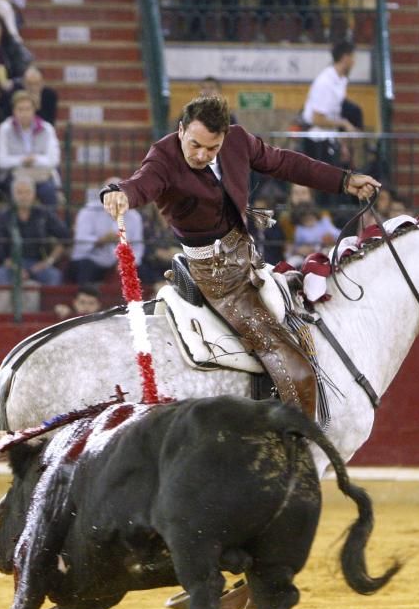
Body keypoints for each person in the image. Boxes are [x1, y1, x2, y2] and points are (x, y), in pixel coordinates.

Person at [101, 94, 379, 419]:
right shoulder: (163, 157)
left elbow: (286, 162)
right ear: (180, 130)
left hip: (249, 261)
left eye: (212, 148)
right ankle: (293, 449)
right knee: (297, 369)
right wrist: (117, 192)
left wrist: (344, 180)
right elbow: (141, 184)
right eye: (195, 145)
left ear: (224, 137)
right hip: (216, 278)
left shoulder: (239, 140)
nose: (202, 155)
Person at [0, 175, 69, 286]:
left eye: (27, 192)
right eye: (19, 192)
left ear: (33, 195)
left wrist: (48, 261)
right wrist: (15, 268)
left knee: (54, 275)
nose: (24, 196)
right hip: (12, 264)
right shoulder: (4, 216)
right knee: (0, 274)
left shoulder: (44, 214)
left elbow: (65, 237)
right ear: (13, 195)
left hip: (38, 263)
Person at [0, 89, 61, 206]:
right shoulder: (4, 129)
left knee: (49, 191)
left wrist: (34, 160)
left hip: (41, 175)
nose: (24, 113)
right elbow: (1, 161)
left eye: (27, 109)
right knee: (16, 191)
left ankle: (49, 223)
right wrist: (23, 160)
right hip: (14, 174)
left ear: (34, 110)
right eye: (20, 109)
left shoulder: (47, 129)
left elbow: (53, 159)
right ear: (14, 111)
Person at [300, 41, 358, 170]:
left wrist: (342, 144)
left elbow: (335, 113)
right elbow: (317, 119)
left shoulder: (341, 80)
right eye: (353, 58)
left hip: (330, 140)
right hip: (316, 142)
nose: (355, 62)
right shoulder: (325, 82)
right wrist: (344, 124)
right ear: (345, 58)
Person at [72, 179, 143, 283]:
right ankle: (85, 297)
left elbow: (138, 247)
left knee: (141, 269)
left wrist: (128, 262)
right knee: (85, 267)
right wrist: (101, 240)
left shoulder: (134, 216)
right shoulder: (89, 211)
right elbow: (81, 242)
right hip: (92, 259)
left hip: (120, 261)